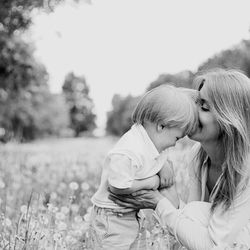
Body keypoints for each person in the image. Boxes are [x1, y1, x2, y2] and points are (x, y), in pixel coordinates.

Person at [109, 69, 250, 249]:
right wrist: (169, 194)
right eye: (195, 102)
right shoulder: (197, 156)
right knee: (191, 211)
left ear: (230, 120)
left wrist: (159, 203)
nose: (191, 110)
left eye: (204, 107)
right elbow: (192, 225)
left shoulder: (245, 168)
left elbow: (213, 245)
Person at [88, 85, 198, 249]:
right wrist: (151, 182)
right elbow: (117, 186)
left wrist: (163, 164)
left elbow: (155, 154)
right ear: (161, 126)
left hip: (128, 215)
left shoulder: (148, 141)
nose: (174, 145)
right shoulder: (129, 150)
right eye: (176, 138)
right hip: (112, 218)